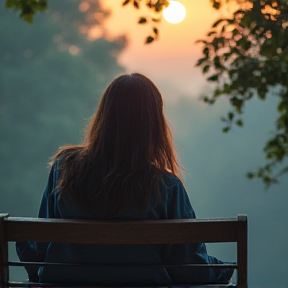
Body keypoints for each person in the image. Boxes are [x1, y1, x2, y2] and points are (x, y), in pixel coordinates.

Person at [16, 73, 234, 286]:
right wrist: (225, 268)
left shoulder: (64, 168)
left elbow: (37, 251)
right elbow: (190, 269)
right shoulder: (166, 187)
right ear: (154, 125)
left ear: (104, 116)